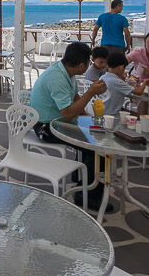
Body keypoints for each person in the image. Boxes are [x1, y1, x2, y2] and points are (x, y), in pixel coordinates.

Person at [30, 42, 110, 210]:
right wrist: (90, 93)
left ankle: (81, 176)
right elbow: (68, 113)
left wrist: (89, 120)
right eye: (88, 63)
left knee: (94, 137)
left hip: (59, 122)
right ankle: (86, 195)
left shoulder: (66, 72)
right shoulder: (57, 78)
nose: (88, 66)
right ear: (81, 65)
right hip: (46, 127)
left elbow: (74, 99)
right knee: (97, 148)